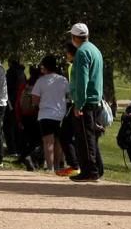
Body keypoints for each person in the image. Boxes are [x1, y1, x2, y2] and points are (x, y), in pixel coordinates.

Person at [68, 23, 104, 182]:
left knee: (84, 138)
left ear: (75, 37)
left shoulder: (82, 53)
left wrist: (78, 103)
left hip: (86, 101)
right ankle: (97, 169)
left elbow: (82, 80)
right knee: (90, 136)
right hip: (95, 98)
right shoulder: (94, 49)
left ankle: (90, 171)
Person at [31, 55, 69, 174]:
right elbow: (69, 95)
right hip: (60, 114)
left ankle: (50, 167)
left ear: (45, 67)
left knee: (48, 142)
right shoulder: (63, 80)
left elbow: (35, 100)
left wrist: (37, 105)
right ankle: (57, 166)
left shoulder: (41, 81)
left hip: (45, 114)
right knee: (58, 141)